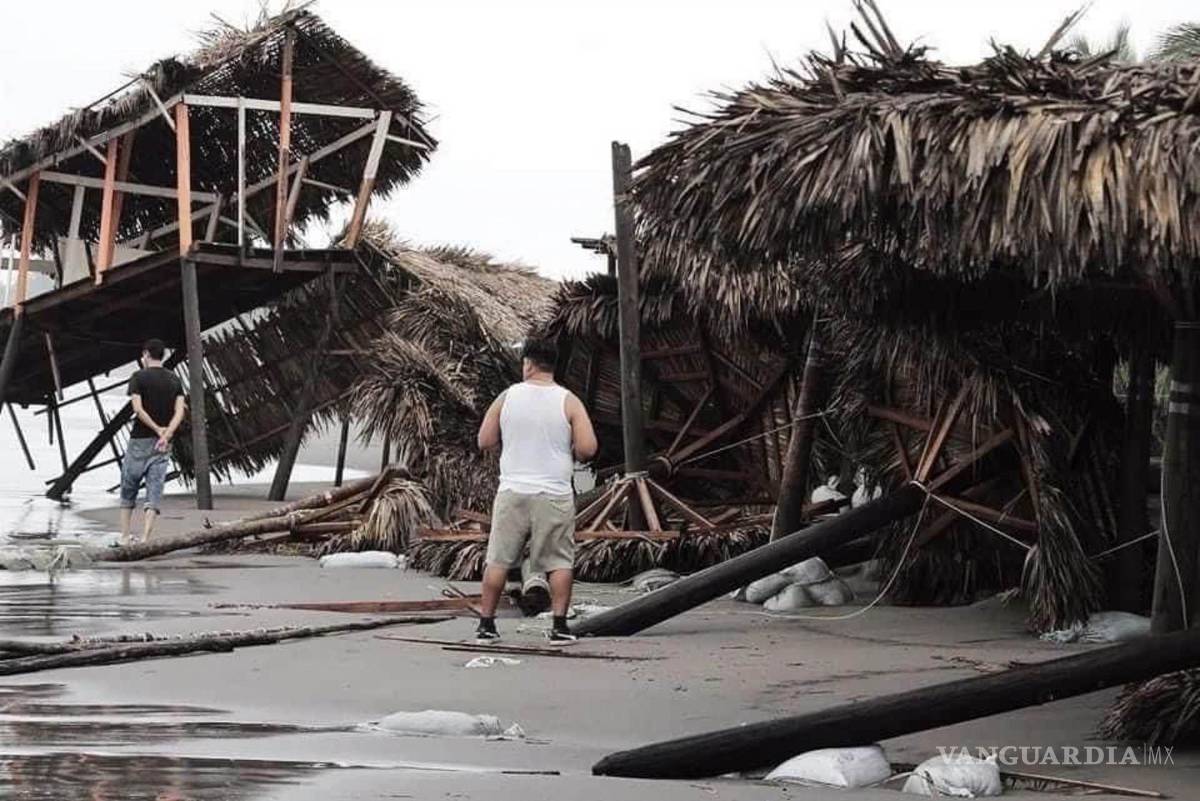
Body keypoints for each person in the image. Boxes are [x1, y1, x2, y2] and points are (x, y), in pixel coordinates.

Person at [476, 337, 597, 643]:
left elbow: (485, 440)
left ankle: (486, 626)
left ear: (528, 363)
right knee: (558, 561)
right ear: (552, 365)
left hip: (513, 490)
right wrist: (570, 449)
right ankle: (558, 626)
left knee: (499, 559)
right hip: (553, 492)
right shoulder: (568, 400)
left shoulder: (507, 397)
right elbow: (588, 448)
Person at [118, 339, 185, 545]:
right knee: (154, 489)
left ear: (146, 355)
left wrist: (156, 429)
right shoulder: (174, 380)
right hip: (163, 444)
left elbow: (138, 409)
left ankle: (124, 536)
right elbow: (180, 411)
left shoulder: (138, 377)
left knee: (129, 487)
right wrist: (166, 434)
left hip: (140, 440)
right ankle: (146, 537)